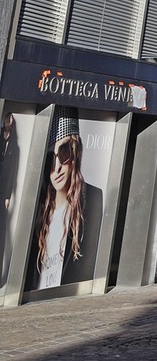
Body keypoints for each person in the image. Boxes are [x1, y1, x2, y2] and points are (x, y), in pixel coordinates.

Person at [32, 107, 103, 290]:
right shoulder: (37, 208)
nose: (56, 168)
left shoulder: (91, 200)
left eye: (63, 153)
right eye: (50, 158)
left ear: (75, 152)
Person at [0, 113, 17, 286]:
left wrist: (7, 196)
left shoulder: (13, 146)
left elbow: (12, 173)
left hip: (2, 193)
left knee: (3, 233)